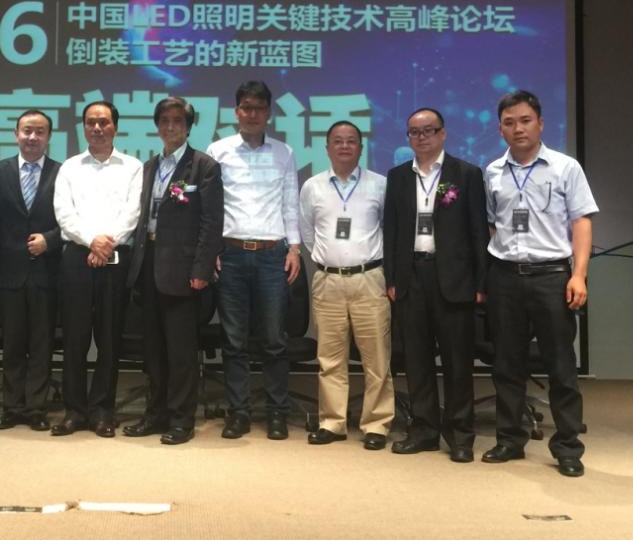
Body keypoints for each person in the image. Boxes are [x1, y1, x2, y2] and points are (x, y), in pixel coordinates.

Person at [482, 90, 597, 478]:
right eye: (509, 122)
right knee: (507, 364)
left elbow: (581, 221)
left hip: (551, 276)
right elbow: (492, 225)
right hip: (504, 276)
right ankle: (509, 439)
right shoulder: (492, 172)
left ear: (541, 124)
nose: (518, 128)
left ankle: (567, 447)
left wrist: (578, 274)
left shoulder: (566, 167)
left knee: (560, 366)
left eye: (525, 120)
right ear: (500, 129)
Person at [383, 107, 489, 462]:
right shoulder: (398, 176)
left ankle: (460, 435)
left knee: (458, 361)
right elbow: (391, 231)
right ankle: (424, 430)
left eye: (428, 130)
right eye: (414, 132)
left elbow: (478, 231)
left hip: (454, 279)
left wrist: (480, 281)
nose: (421, 137)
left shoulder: (466, 174)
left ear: (443, 133)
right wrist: (392, 278)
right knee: (417, 360)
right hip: (411, 276)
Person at [124, 98, 224, 445]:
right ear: (157, 126)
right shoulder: (149, 166)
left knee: (181, 351)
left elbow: (211, 222)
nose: (170, 127)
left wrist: (202, 268)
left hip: (183, 270)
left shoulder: (204, 166)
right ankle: (155, 414)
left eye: (178, 121)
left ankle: (182, 419)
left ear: (188, 126)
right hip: (148, 263)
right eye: (164, 120)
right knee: (153, 349)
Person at [207, 80, 301, 441]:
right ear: (236, 112)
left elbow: (290, 203)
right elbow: (210, 208)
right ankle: (239, 413)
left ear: (268, 113)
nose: (252, 114)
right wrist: (210, 250)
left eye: (259, 108)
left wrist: (294, 249)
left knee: (274, 340)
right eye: (246, 107)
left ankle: (277, 413)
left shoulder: (284, 153)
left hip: (272, 255)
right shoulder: (218, 151)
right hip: (230, 254)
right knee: (234, 341)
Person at [299, 121, 394, 449]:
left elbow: (389, 230)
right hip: (328, 280)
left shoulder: (379, 185)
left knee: (376, 358)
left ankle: (376, 424)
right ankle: (332, 422)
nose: (344, 146)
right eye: (337, 141)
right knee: (330, 357)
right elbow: (307, 232)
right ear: (327, 148)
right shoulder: (312, 187)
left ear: (360, 147)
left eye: (351, 141)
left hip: (369, 279)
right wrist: (331, 259)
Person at [51, 100, 142, 437]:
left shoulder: (133, 167)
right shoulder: (70, 167)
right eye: (91, 122)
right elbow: (64, 212)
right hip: (77, 256)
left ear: (115, 126)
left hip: (115, 258)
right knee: (75, 338)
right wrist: (92, 242)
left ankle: (103, 410)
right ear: (84, 127)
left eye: (104, 122)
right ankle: (74, 411)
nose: (98, 128)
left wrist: (105, 245)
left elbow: (133, 213)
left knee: (109, 337)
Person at [0, 110, 63, 431]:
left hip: (47, 271)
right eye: (27, 131)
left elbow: (71, 220)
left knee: (42, 344)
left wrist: (50, 240)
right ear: (16, 134)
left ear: (49, 137)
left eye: (40, 132)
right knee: (13, 343)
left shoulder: (62, 172)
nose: (33, 137)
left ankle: (36, 409)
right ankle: (13, 406)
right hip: (10, 272)